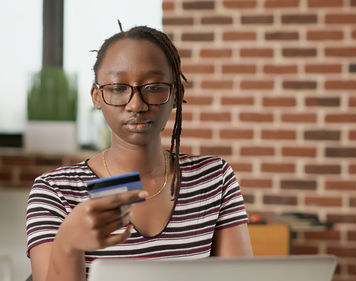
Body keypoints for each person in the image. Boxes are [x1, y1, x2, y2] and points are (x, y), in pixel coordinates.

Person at [25, 25, 253, 281]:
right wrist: (67, 244)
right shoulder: (55, 190)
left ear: (176, 93)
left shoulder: (214, 178)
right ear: (97, 96)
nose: (136, 104)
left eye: (154, 87)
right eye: (118, 87)